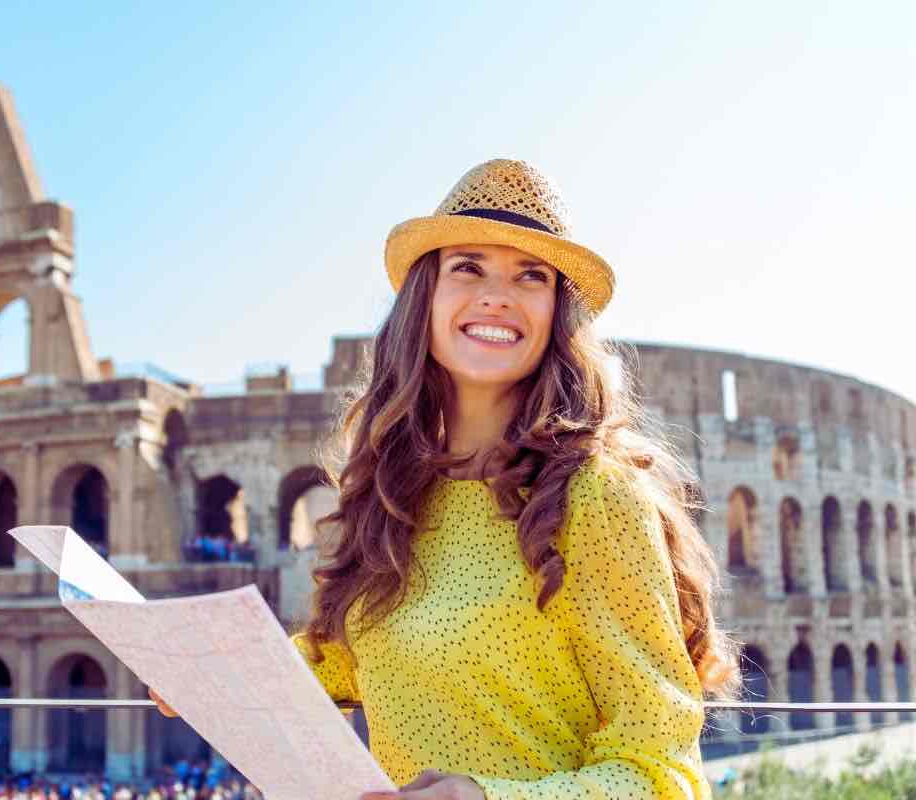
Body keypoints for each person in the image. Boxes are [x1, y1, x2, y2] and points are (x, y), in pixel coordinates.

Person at [151, 159, 741, 799]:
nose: (497, 295)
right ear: (424, 299)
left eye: (531, 275)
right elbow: (362, 659)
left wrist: (484, 797)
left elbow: (664, 775)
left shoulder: (596, 494)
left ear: (557, 315)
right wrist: (216, 671)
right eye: (468, 267)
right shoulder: (397, 491)